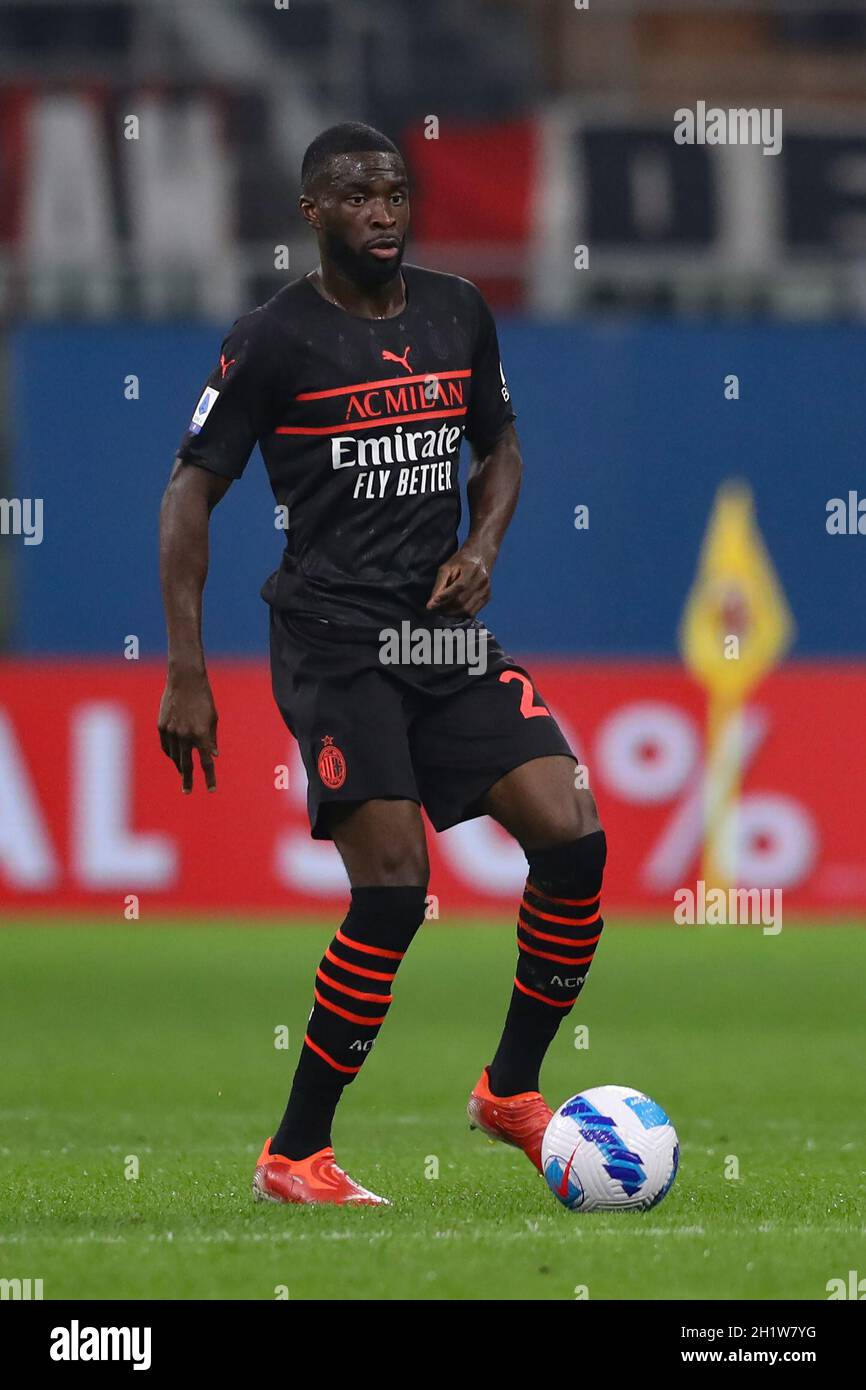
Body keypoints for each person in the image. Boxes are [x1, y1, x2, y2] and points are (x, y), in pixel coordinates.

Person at [158, 122, 606, 1206]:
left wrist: (482, 546)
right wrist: (186, 671)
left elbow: (497, 444)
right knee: (395, 888)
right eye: (358, 194)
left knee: (573, 834)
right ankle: (293, 1154)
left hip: (440, 634)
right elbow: (187, 494)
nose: (384, 209)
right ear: (312, 212)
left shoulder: (458, 311)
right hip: (333, 640)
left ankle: (508, 1090)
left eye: (396, 190)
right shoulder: (271, 340)